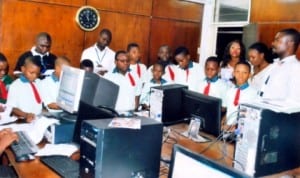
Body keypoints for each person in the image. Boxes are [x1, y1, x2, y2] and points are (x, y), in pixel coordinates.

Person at [260, 28, 300, 102]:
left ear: (290, 43)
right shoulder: (274, 65)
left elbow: (294, 101)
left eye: (277, 40)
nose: (273, 43)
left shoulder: (296, 68)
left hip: (278, 113)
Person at [7, 56, 42, 122]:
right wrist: (26, 115)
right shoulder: (15, 86)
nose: (34, 76)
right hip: (22, 119)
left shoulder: (38, 82)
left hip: (37, 118)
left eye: (37, 74)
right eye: (31, 73)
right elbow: (12, 108)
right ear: (23, 69)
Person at [224, 61, 257, 126]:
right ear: (233, 73)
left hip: (242, 129)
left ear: (250, 75)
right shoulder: (230, 91)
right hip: (227, 128)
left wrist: (236, 127)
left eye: (244, 72)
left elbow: (252, 117)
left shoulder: (254, 94)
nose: (240, 75)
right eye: (237, 72)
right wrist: (223, 120)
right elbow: (229, 110)